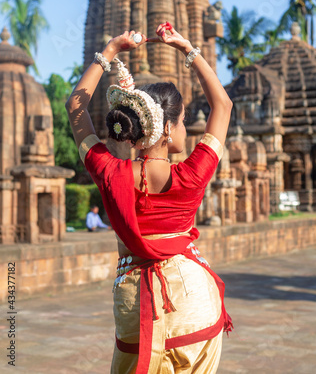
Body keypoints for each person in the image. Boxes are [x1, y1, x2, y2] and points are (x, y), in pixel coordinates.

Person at [65, 23, 234, 373]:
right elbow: (223, 104)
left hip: (134, 306)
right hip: (194, 303)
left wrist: (110, 50)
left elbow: (75, 109)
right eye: (185, 121)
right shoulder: (190, 174)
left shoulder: (110, 172)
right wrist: (187, 48)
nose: (187, 128)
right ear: (169, 128)